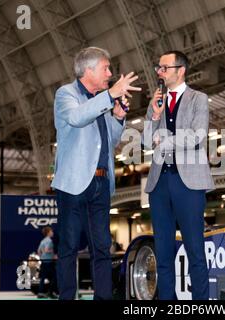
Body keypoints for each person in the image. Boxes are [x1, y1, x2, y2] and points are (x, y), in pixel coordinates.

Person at [51, 46, 141, 300]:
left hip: (101, 182)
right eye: (105, 68)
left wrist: (118, 117)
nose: (110, 74)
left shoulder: (101, 100)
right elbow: (78, 118)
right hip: (73, 185)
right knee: (68, 247)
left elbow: (109, 141)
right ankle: (67, 297)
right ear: (88, 70)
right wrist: (110, 96)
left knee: (102, 248)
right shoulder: (65, 94)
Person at [142, 50, 215, 300]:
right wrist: (153, 115)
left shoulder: (198, 99)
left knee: (195, 249)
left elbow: (197, 136)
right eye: (158, 68)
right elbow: (143, 141)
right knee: (162, 252)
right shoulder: (158, 100)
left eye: (164, 67)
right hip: (159, 182)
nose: (159, 72)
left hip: (189, 183)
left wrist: (164, 138)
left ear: (180, 69)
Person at [37, 226, 58, 299]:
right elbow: (46, 250)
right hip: (49, 262)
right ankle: (51, 292)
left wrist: (42, 257)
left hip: (43, 261)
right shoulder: (49, 241)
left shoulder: (42, 241)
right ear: (48, 233)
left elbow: (39, 251)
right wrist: (53, 254)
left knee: (43, 278)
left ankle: (40, 293)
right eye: (51, 231)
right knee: (55, 277)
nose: (53, 232)